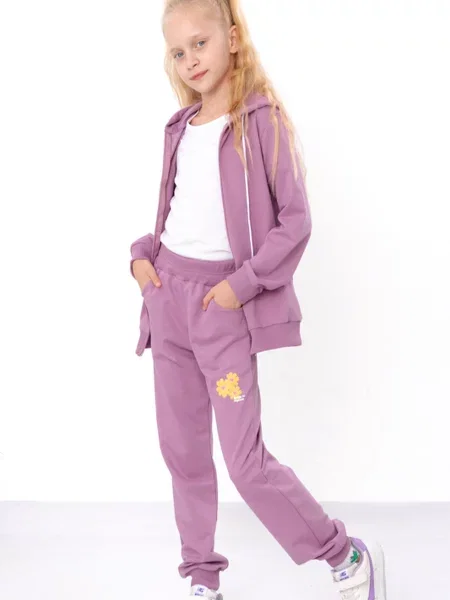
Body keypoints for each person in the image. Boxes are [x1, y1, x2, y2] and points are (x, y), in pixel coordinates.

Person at [129, 1, 387, 599]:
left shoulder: (261, 121)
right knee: (183, 454)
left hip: (221, 309)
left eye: (200, 43)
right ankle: (202, 578)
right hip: (167, 299)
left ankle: (345, 554)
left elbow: (295, 223)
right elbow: (175, 215)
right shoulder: (178, 128)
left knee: (245, 463)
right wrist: (141, 258)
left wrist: (237, 288)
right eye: (178, 51)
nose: (190, 60)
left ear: (232, 38)